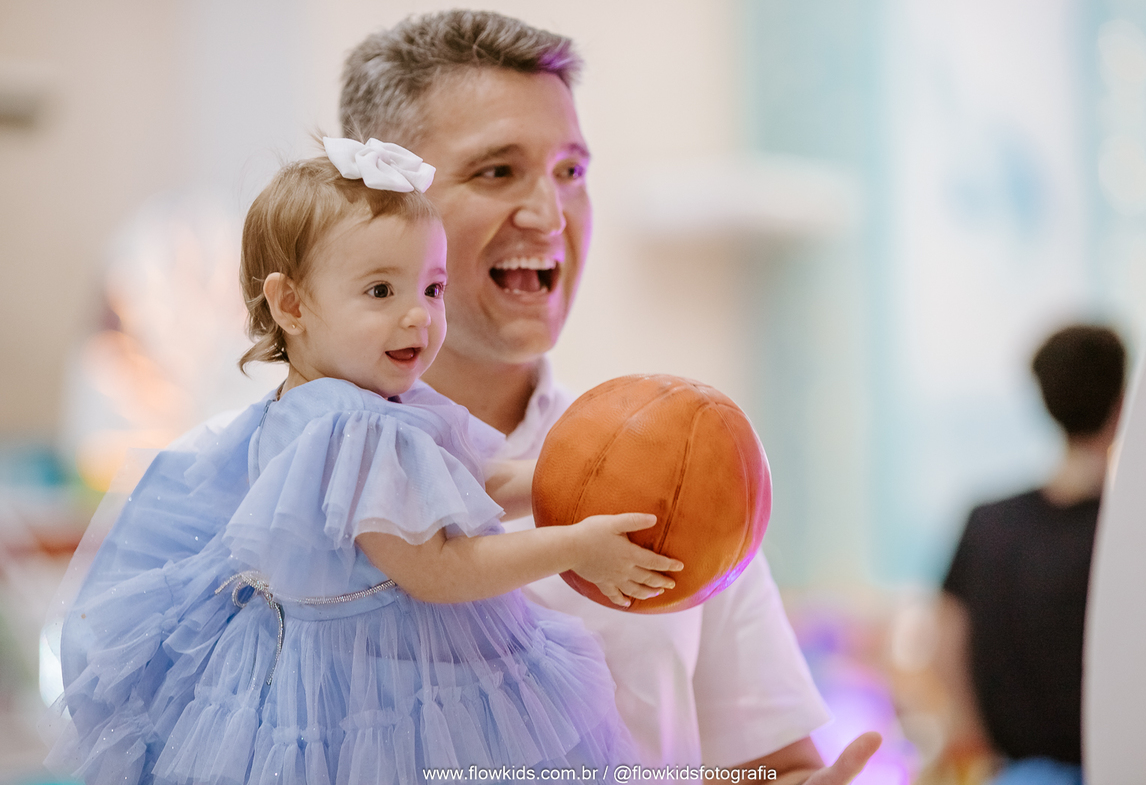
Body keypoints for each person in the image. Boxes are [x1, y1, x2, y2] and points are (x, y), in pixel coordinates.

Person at [339, 10, 880, 783]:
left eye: (570, 172)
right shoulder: (278, 478)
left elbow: (771, 766)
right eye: (497, 172)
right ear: (377, 209)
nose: (549, 215)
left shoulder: (684, 466)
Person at [48, 138, 687, 783]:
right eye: (381, 290)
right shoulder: (349, 429)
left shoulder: (337, 407)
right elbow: (437, 568)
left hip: (366, 667)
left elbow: (466, 486)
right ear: (291, 305)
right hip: (368, 686)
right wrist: (572, 547)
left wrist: (579, 483)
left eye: (432, 288)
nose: (419, 316)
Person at [934, 324, 1127, 785]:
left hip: (1012, 774)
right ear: (1121, 404)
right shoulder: (1127, 533)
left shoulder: (987, 525)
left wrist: (975, 743)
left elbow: (944, 644)